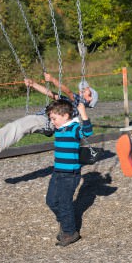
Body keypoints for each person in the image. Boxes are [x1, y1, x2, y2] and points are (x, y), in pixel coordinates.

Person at [0, 72, 98, 156]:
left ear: (89, 99)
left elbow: (68, 91)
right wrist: (33, 84)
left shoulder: (79, 103)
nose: (84, 90)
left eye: (88, 91)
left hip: (47, 122)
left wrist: (53, 80)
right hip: (45, 119)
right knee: (15, 126)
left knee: (18, 127)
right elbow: (51, 94)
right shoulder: (71, 102)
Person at [45, 98, 93, 247]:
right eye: (51, 119)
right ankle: (66, 221)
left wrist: (83, 112)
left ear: (65, 116)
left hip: (70, 174)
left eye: (54, 118)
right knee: (51, 201)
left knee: (65, 203)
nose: (52, 122)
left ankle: (70, 232)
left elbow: (88, 131)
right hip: (57, 172)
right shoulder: (59, 129)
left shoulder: (73, 128)